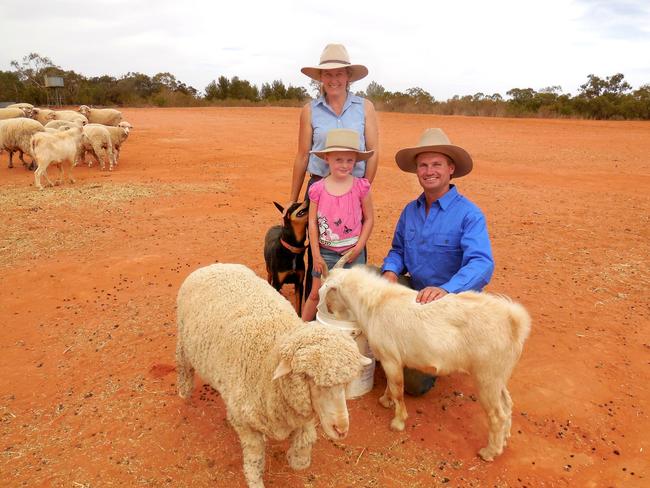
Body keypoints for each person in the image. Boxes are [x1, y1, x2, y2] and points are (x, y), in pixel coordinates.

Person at [381, 128, 495, 395]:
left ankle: (447, 349)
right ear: (417, 171)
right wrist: (390, 271)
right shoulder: (410, 210)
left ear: (450, 169)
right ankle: (388, 343)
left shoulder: (469, 214)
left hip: (450, 306)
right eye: (423, 165)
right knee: (366, 276)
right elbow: (398, 250)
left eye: (436, 164)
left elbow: (481, 263)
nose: (429, 171)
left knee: (414, 384)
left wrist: (446, 289)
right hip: (415, 295)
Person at [287, 43, 379, 300]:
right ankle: (314, 313)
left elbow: (373, 151)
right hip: (319, 187)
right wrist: (293, 200)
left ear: (348, 76)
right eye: (328, 74)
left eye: (339, 73)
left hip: (355, 184)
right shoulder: (310, 110)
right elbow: (302, 155)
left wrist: (361, 189)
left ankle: (352, 313)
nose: (334, 79)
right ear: (320, 78)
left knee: (354, 246)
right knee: (318, 250)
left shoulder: (365, 107)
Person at [301, 128, 374, 321]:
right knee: (316, 294)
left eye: (350, 160)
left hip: (353, 253)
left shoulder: (361, 186)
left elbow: (369, 219)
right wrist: (316, 254)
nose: (345, 165)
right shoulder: (317, 189)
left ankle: (357, 338)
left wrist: (359, 247)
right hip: (324, 253)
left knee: (354, 298)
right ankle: (299, 329)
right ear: (327, 158)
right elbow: (313, 223)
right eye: (339, 159)